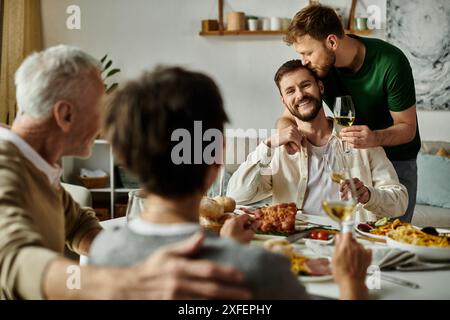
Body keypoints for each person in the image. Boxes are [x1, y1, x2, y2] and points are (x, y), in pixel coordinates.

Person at [88, 65, 372, 300]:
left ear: (124, 158)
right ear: (217, 155)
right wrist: (352, 285)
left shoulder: (103, 253)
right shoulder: (261, 269)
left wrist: (226, 245)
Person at [0, 45, 250, 300]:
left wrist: (143, 256)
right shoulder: (3, 167)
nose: (106, 121)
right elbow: (12, 259)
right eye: (101, 106)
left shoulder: (35, 164)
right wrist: (126, 283)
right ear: (65, 115)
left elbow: (79, 227)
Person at [277, 5, 420, 222]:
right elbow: (288, 116)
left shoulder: (391, 62)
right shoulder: (318, 69)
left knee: (393, 236)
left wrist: (374, 138)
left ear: (332, 42)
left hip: (397, 158)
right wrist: (287, 136)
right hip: (353, 158)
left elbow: (407, 128)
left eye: (307, 52)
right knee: (357, 232)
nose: (304, 61)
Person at [227, 60, 408, 223]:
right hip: (297, 245)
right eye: (290, 91)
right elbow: (237, 195)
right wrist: (268, 144)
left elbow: (400, 202)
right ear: (284, 101)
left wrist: (368, 195)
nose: (300, 95)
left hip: (350, 240)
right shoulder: (278, 150)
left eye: (305, 85)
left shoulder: (360, 139)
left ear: (320, 87)